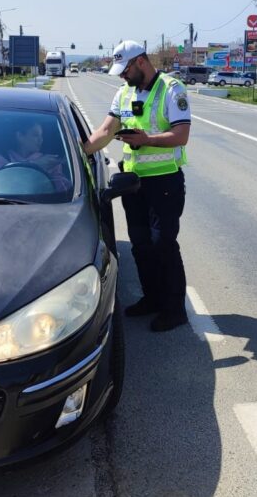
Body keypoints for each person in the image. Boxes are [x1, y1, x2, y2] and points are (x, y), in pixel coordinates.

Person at [82, 41, 191, 332]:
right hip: (133, 184)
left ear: (141, 61)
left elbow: (181, 135)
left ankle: (174, 309)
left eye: (125, 69)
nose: (122, 76)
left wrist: (147, 140)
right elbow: (106, 131)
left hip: (165, 181)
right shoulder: (124, 92)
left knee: (163, 245)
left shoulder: (172, 89)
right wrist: (78, 151)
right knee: (141, 246)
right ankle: (152, 299)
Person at [0, 122, 71, 192]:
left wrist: (55, 174)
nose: (41, 140)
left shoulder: (49, 161)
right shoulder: (3, 159)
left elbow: (65, 191)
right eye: (35, 135)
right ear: (20, 136)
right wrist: (36, 165)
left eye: (41, 135)